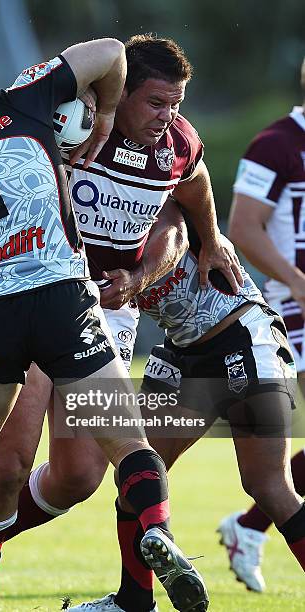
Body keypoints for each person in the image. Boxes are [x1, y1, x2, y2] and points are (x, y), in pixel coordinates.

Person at [0, 40, 197, 612]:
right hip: (64, 296)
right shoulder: (20, 102)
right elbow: (112, 49)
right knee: (130, 443)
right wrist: (106, 112)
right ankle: (156, 526)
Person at [0, 35, 241, 612]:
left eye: (177, 103)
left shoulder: (178, 142)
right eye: (156, 102)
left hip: (109, 315)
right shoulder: (76, 124)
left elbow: (189, 191)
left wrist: (200, 246)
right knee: (11, 463)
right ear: (120, 94)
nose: (169, 116)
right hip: (38, 294)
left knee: (80, 477)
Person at [68, 210, 305, 611]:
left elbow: (175, 228)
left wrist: (141, 276)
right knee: (136, 472)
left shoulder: (145, 190)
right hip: (182, 353)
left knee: (268, 486)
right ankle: (134, 601)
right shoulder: (83, 224)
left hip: (241, 335)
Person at [223, 57, 305, 592]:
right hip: (293, 309)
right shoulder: (276, 143)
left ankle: (249, 526)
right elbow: (243, 228)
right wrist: (297, 282)